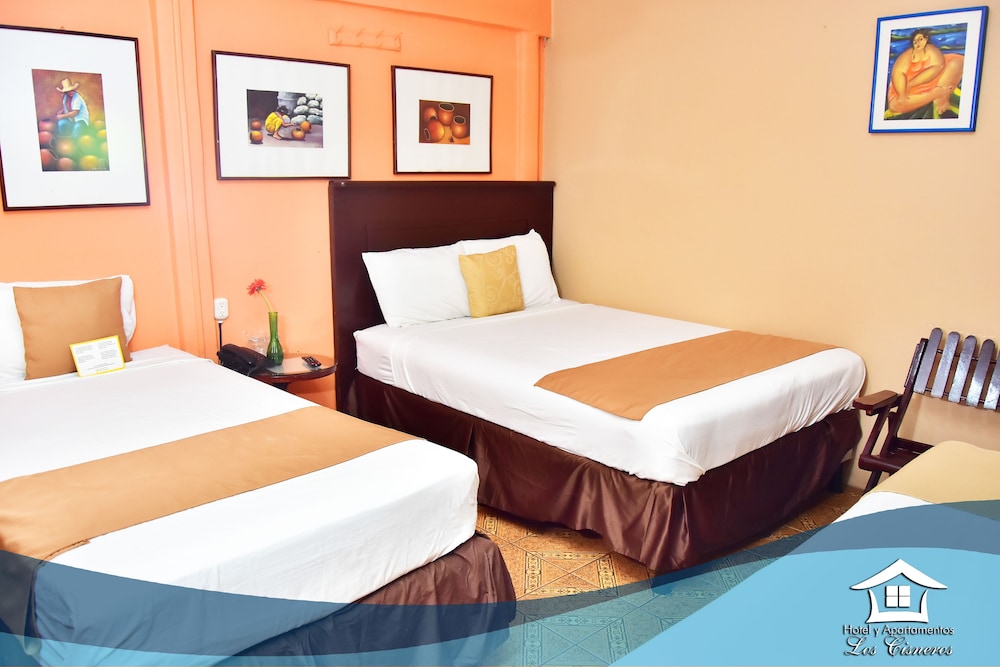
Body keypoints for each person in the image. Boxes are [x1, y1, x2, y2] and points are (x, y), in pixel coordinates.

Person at [887, 28, 964, 118]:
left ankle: (940, 94)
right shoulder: (907, 55)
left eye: (920, 39)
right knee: (895, 105)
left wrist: (912, 84)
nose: (918, 43)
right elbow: (898, 73)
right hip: (906, 88)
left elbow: (936, 68)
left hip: (933, 80)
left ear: (926, 39)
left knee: (957, 63)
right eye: (915, 41)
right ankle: (937, 94)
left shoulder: (931, 50)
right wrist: (902, 94)